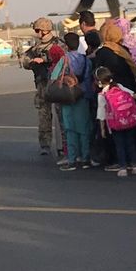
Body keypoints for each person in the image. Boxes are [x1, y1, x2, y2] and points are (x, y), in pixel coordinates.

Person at [53, 32, 94, 170]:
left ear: (66, 45)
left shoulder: (64, 59)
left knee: (70, 129)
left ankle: (72, 159)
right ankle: (85, 158)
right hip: (83, 96)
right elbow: (89, 78)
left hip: (68, 97)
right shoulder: (86, 60)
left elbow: (54, 76)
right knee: (84, 129)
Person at [22, 17, 61, 158]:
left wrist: (44, 60)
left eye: (37, 30)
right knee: (44, 115)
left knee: (61, 115)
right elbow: (25, 60)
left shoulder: (58, 44)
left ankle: (63, 145)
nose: (36, 33)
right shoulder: (36, 48)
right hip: (42, 84)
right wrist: (31, 61)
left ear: (44, 31)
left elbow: (63, 58)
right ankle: (45, 144)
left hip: (57, 84)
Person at [94, 66, 136, 176]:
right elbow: (132, 95)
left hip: (115, 124)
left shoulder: (102, 95)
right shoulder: (119, 86)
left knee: (119, 145)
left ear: (99, 82)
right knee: (130, 143)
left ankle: (123, 167)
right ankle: (135, 166)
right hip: (128, 120)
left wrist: (102, 129)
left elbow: (101, 114)